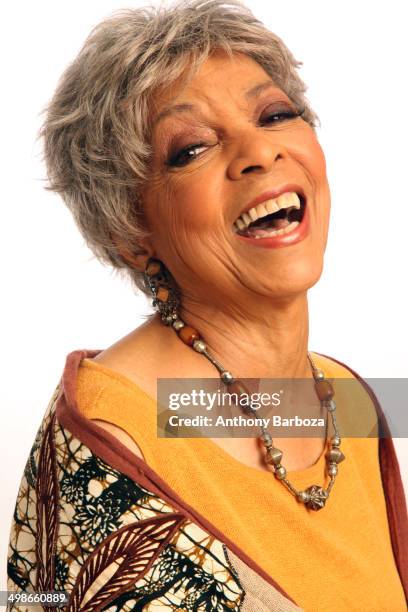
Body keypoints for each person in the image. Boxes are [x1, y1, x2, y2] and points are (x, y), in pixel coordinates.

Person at [7, 0, 407, 609]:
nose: (259, 152)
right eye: (191, 148)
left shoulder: (350, 401)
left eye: (274, 114)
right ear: (130, 232)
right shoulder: (115, 440)